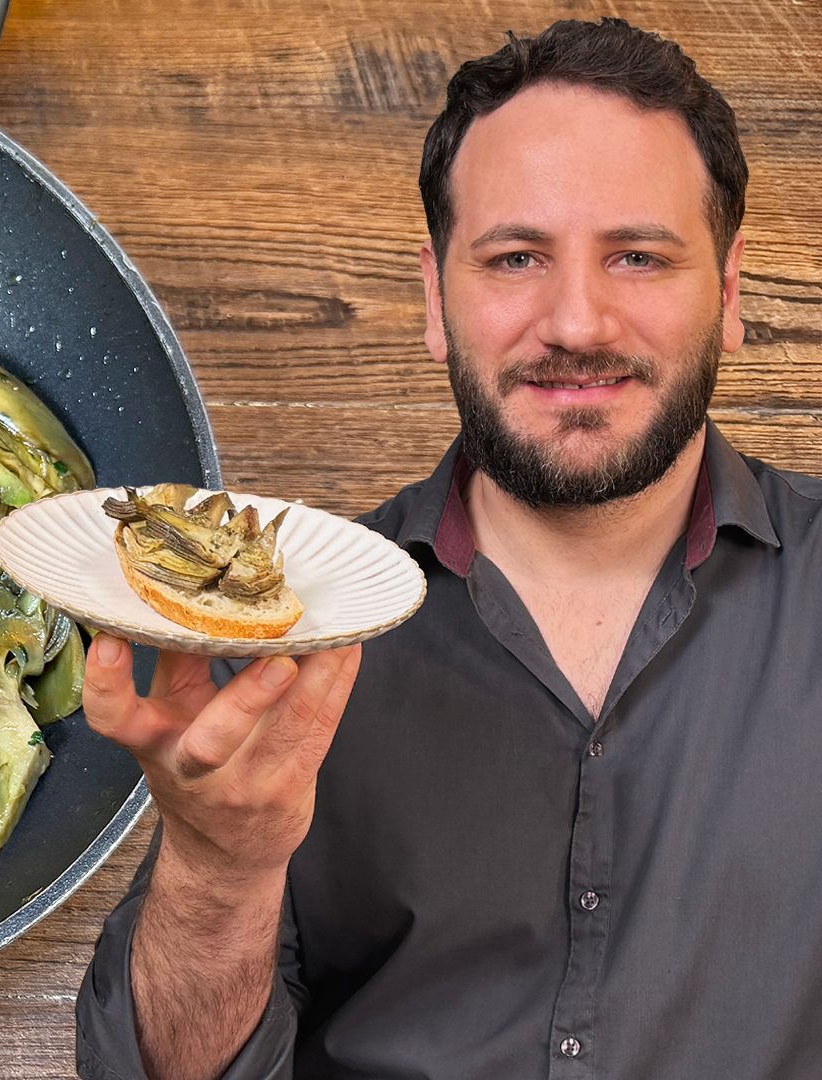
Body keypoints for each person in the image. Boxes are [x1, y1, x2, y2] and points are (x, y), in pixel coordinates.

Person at [74, 17, 822, 1080]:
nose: (577, 322)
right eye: (516, 258)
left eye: (638, 257)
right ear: (435, 298)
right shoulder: (283, 636)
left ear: (732, 292)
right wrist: (217, 870)